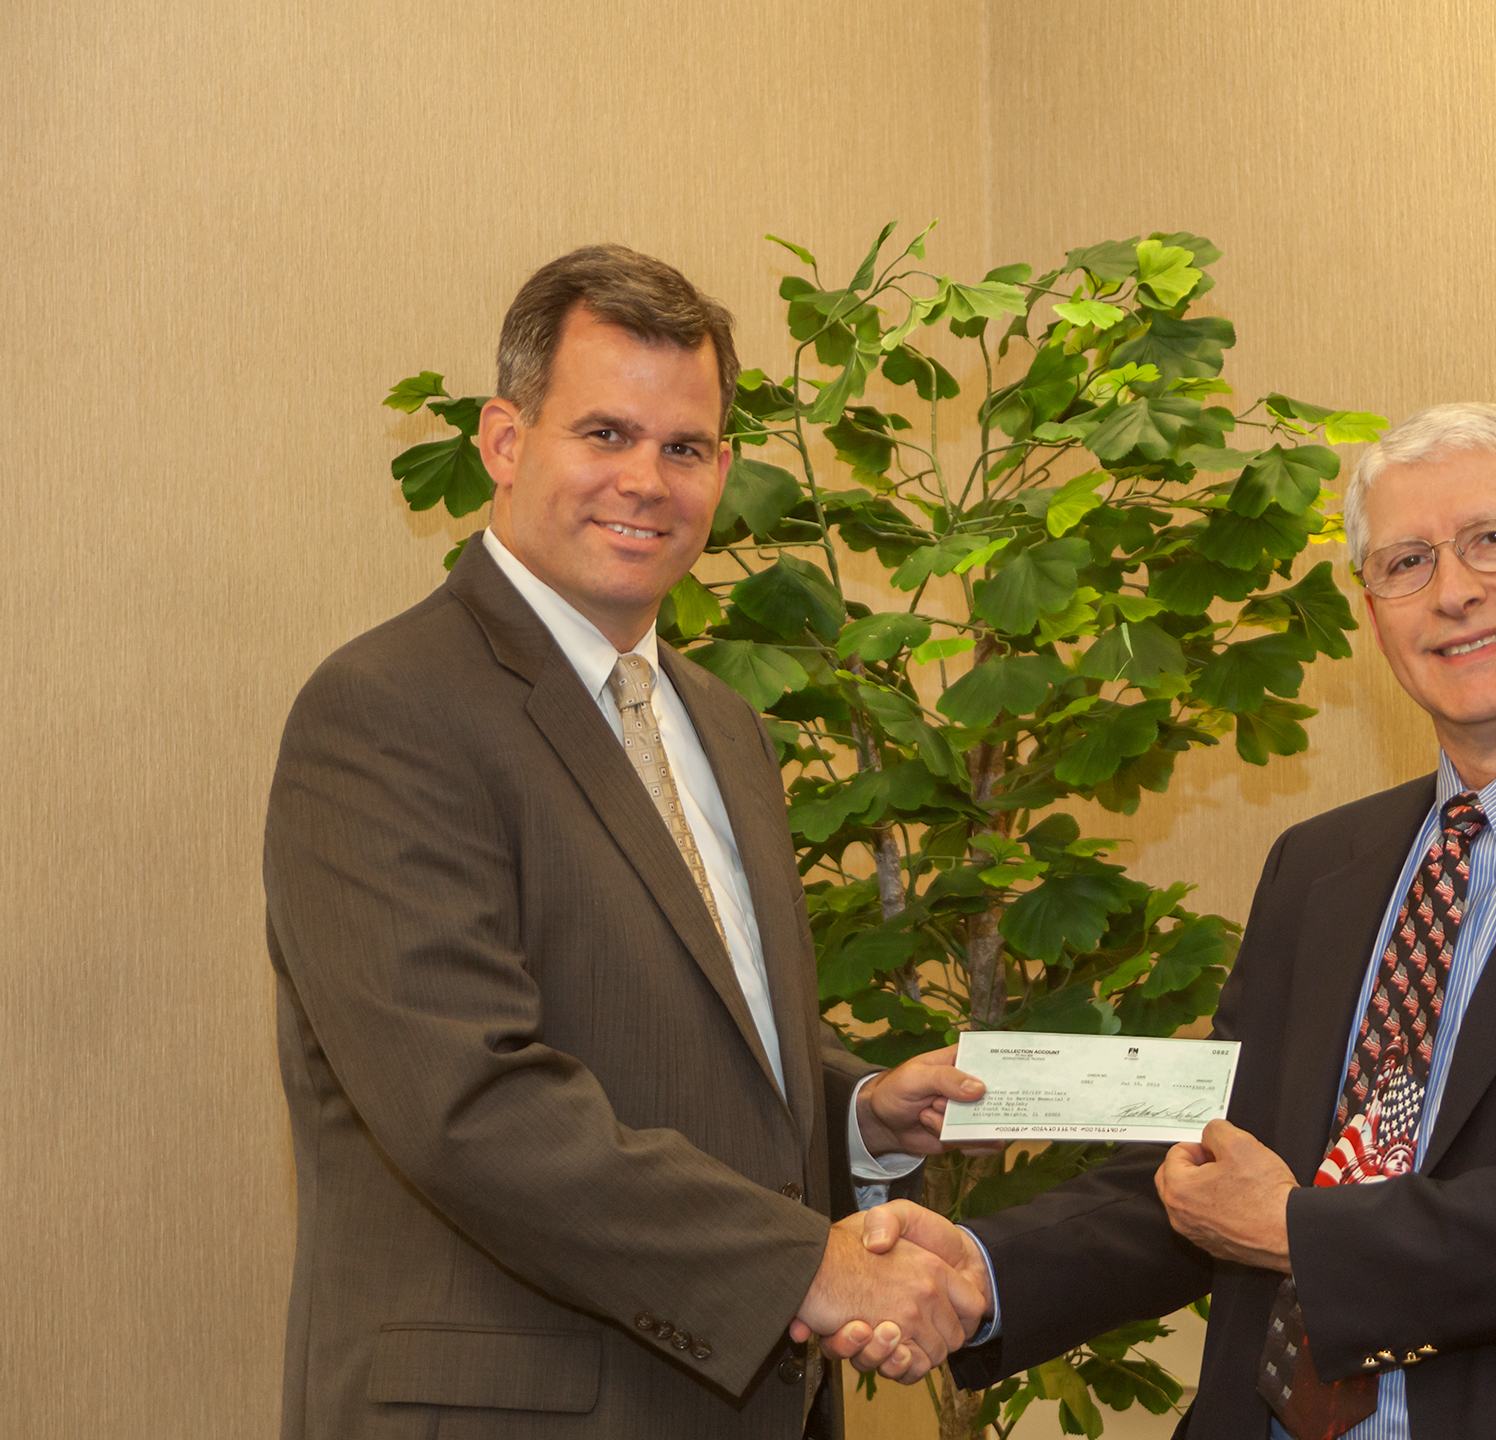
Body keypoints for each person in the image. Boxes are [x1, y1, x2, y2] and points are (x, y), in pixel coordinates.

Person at [844, 403, 1496, 1439]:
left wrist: (1299, 1229)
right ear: (1373, 612)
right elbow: (1217, 1172)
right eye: (1406, 562)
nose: (1453, 592)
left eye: (1495, 539)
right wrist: (985, 1272)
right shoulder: (1320, 865)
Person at [264, 244, 986, 1439]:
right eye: (605, 433)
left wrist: (854, 1111)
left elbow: (682, 1034)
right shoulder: (385, 710)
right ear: (505, 441)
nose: (646, 481)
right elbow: (467, 1103)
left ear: (723, 471)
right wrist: (803, 1265)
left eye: (685, 448)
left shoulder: (724, 724)